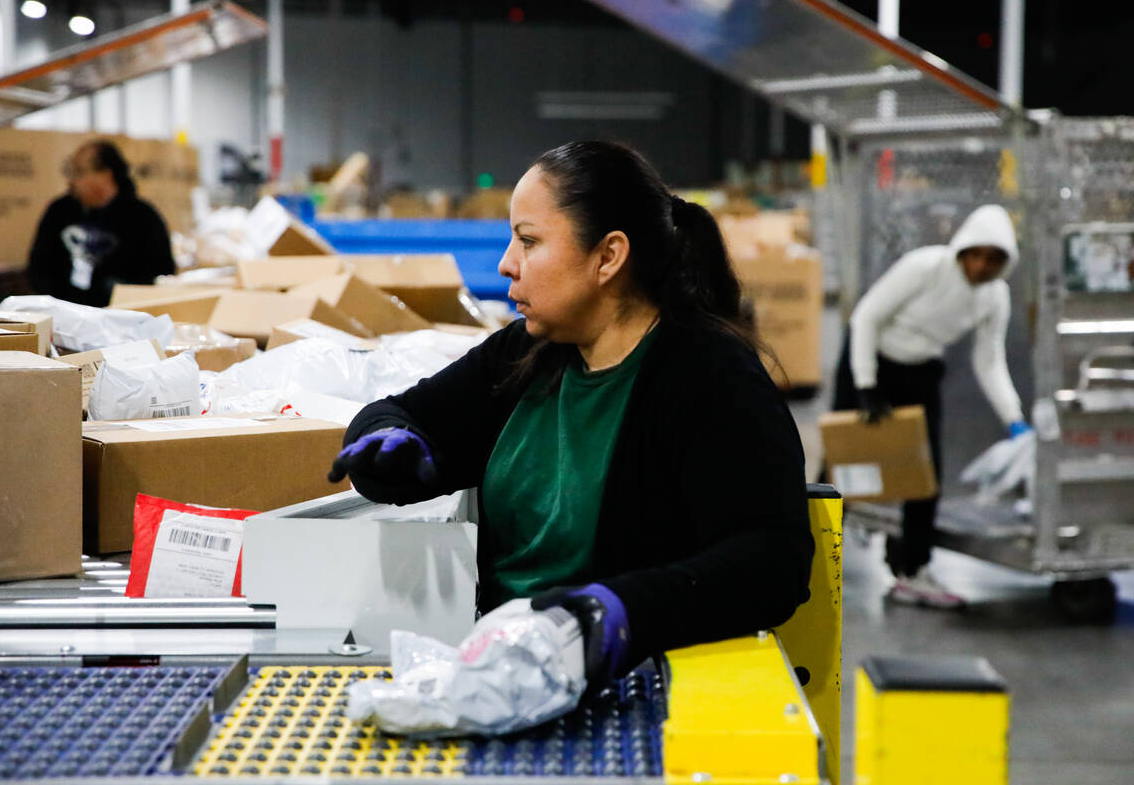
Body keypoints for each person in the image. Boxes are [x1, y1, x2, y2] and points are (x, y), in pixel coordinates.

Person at [329, 141, 814, 687]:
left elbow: (773, 560)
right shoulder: (528, 354)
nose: (506, 263)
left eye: (529, 241)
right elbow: (401, 412)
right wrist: (387, 442)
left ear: (608, 257)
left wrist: (623, 609)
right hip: (506, 668)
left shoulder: (708, 378)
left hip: (633, 681)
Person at [832, 204, 1029, 609]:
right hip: (872, 362)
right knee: (842, 471)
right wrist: (866, 385)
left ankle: (912, 571)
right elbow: (867, 316)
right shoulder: (924, 267)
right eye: (976, 254)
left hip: (921, 373)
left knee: (925, 478)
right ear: (963, 250)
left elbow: (988, 360)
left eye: (993, 260)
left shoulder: (995, 297)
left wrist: (1014, 420)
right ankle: (812, 559)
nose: (980, 266)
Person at [26, 140, 175, 306]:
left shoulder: (143, 218)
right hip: (65, 313)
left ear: (106, 174)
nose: (72, 181)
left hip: (121, 315)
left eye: (80, 172)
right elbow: (39, 265)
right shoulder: (59, 212)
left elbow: (160, 273)